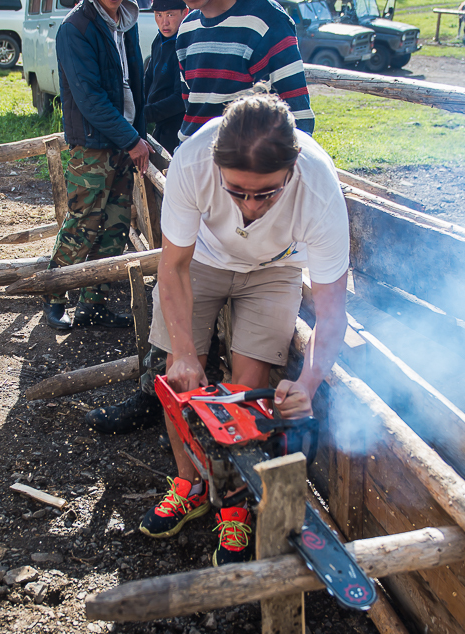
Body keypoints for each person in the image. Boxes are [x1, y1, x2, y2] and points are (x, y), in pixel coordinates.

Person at [134, 90, 349, 566]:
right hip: (202, 260)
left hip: (274, 268)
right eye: (237, 192)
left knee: (246, 386)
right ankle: (190, 483)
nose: (251, 206)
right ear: (217, 170)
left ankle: (231, 501)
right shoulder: (193, 163)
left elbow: (333, 313)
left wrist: (307, 383)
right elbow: (172, 268)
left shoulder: (319, 189)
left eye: (267, 193)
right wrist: (188, 352)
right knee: (179, 374)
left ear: (292, 171)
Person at [85, 0, 317, 434]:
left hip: (250, 192)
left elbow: (297, 124)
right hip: (202, 186)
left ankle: (226, 452)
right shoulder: (189, 27)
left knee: (246, 380)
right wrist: (191, 169)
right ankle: (161, 398)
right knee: (178, 346)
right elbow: (190, 109)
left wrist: (251, 189)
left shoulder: (267, 23)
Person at [42, 0, 152, 330]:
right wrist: (132, 139)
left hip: (124, 141)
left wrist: (137, 135)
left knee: (115, 226)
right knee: (83, 223)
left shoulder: (127, 20)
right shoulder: (76, 27)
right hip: (93, 145)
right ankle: (54, 294)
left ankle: (94, 304)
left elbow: (136, 82)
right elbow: (89, 97)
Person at [175, 0, 315, 141]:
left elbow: (298, 114)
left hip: (246, 157)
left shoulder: (267, 19)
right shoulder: (187, 28)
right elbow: (191, 104)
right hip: (191, 154)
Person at [142, 0, 188, 155]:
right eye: (159, 15)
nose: (164, 22)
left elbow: (180, 98)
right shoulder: (158, 40)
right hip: (159, 124)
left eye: (170, 15)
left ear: (185, 13)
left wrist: (144, 114)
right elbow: (148, 79)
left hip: (178, 127)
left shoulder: (183, 45)